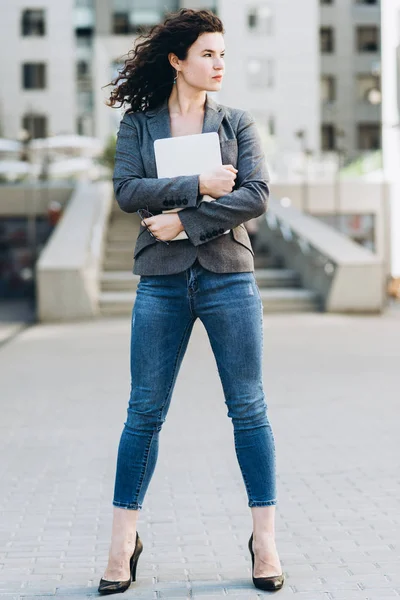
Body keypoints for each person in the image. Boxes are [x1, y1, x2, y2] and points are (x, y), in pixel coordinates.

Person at [98, 8, 284, 595]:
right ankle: (122, 543)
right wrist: (198, 187)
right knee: (144, 413)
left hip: (229, 275)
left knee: (249, 410)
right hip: (161, 281)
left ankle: (265, 540)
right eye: (208, 54)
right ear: (178, 61)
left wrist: (185, 221)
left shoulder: (237, 122)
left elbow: (255, 195)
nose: (219, 64)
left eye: (223, 54)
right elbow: (127, 190)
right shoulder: (139, 125)